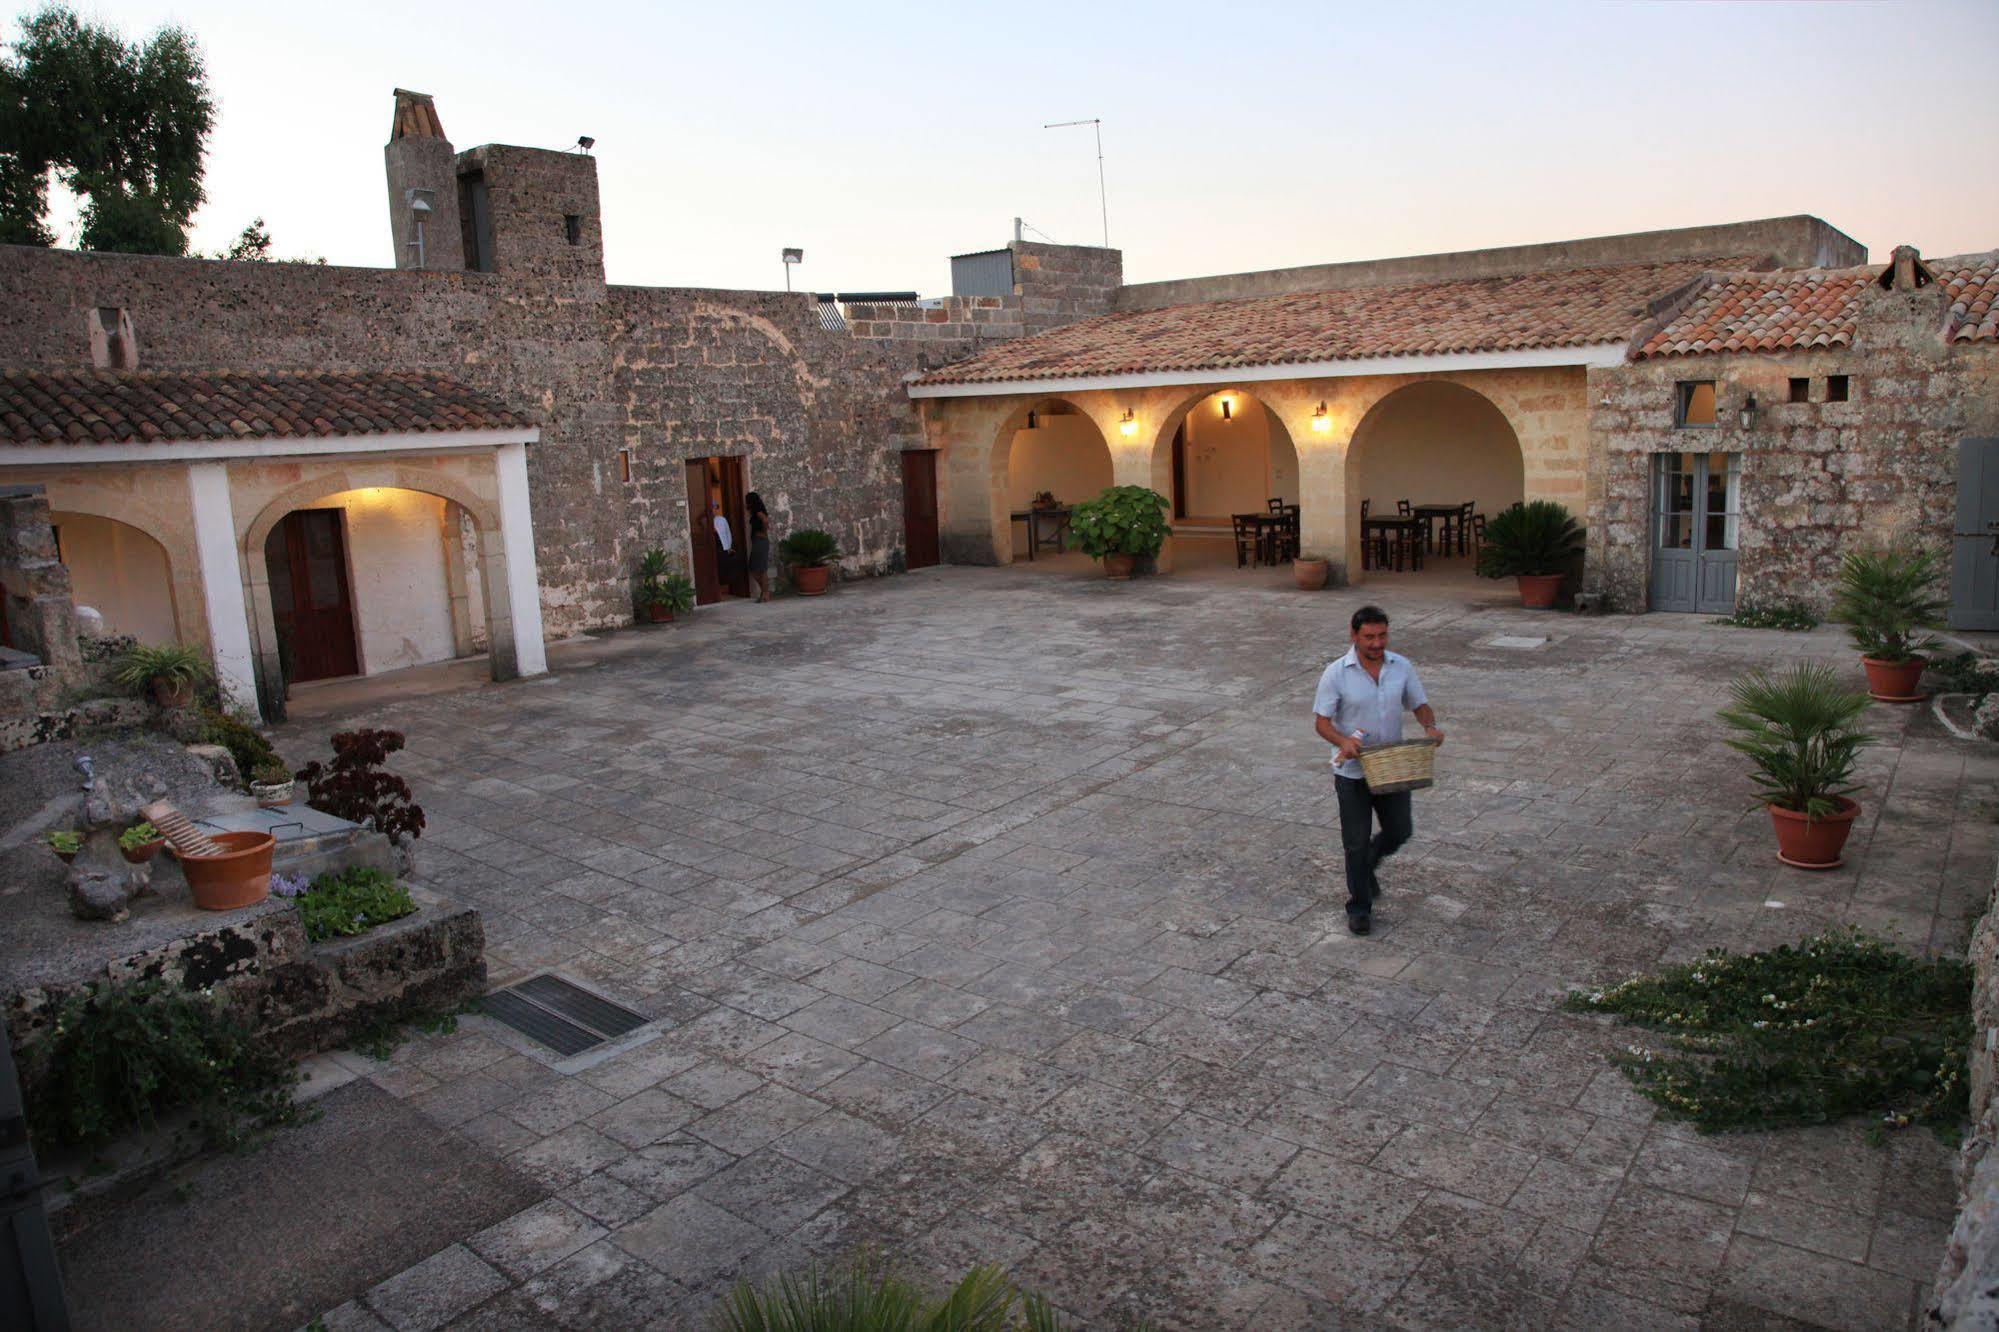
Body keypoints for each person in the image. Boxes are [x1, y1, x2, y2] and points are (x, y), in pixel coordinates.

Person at [1312, 605, 1444, 935]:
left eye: (1382, 635)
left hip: (1391, 766)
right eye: (1369, 636)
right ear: (1354, 635)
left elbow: (1419, 704)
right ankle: (1359, 907)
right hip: (1353, 773)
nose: (1377, 643)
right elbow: (1321, 722)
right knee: (1354, 842)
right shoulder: (1336, 673)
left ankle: (1368, 863)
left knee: (1400, 830)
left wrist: (1430, 726)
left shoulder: (1401, 666)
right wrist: (1342, 742)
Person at [744, 491, 771, 603]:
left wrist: (763, 532)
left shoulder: (758, 511)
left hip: (760, 541)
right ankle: (765, 592)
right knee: (755, 568)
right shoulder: (755, 511)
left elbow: (765, 520)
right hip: (758, 541)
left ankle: (765, 593)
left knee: (760, 569)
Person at [711, 500, 734, 586]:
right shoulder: (708, 521)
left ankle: (724, 585)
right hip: (713, 548)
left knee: (723, 567)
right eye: (713, 508)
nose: (714, 510)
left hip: (723, 547)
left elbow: (728, 533)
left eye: (715, 508)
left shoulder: (722, 520)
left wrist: (729, 546)